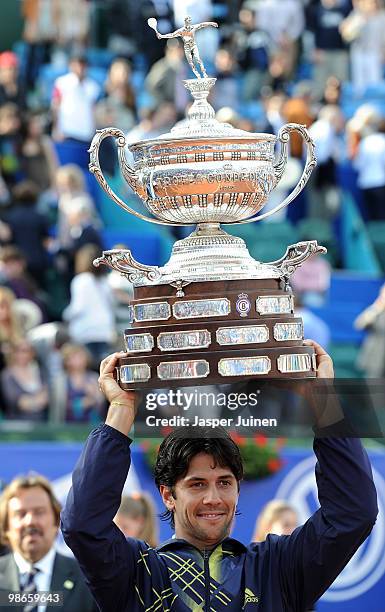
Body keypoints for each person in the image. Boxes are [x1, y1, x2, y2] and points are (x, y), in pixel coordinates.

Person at [62, 340, 378, 612]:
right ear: (168, 495)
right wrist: (122, 407)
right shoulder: (136, 572)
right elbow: (82, 524)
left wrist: (323, 399)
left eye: (224, 483)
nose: (213, 498)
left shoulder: (276, 568)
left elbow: (353, 513)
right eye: (197, 484)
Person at [0, 474, 97, 611]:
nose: (30, 521)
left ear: (56, 521)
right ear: (6, 527)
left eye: (39, 512)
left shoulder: (88, 581)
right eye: (20, 514)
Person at [148, 15, 218, 79]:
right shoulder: (161, 67)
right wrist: (162, 36)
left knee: (198, 61)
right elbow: (172, 35)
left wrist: (211, 23)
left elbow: (202, 25)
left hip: (193, 47)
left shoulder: (193, 28)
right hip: (188, 49)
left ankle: (202, 74)